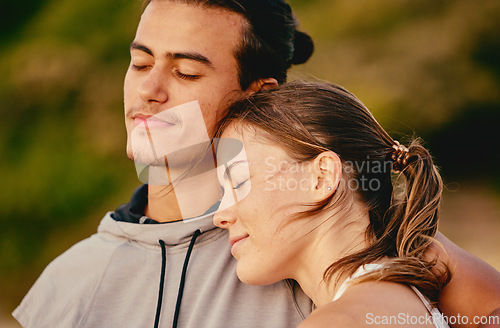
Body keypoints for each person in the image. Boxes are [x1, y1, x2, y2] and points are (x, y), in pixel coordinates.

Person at [13, 0, 499, 327]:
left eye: (185, 71)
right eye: (140, 63)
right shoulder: (64, 284)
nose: (148, 90)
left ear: (259, 94)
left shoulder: (358, 240)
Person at [213, 81, 500, 328]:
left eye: (239, 183)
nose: (219, 215)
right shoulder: (425, 263)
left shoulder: (338, 322)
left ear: (322, 177)